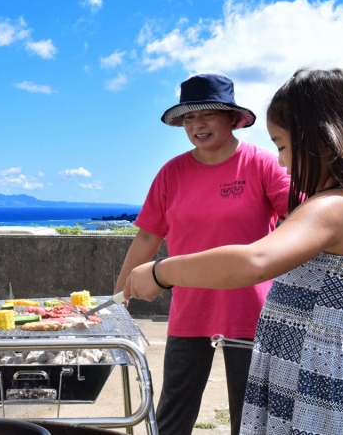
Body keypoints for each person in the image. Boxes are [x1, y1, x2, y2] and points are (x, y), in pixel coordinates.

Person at [123, 68, 343, 434]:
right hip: (342, 390)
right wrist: (328, 353)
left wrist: (161, 272)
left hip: (317, 402)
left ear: (321, 142)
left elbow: (255, 261)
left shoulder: (329, 209)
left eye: (283, 146)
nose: (282, 162)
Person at [114, 73, 291, 435]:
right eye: (189, 118)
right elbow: (148, 237)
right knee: (173, 415)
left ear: (231, 118)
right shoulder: (171, 173)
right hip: (190, 308)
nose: (197, 125)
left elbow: (301, 219)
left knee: (252, 417)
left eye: (207, 115)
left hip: (252, 310)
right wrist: (120, 295)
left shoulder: (261, 164)